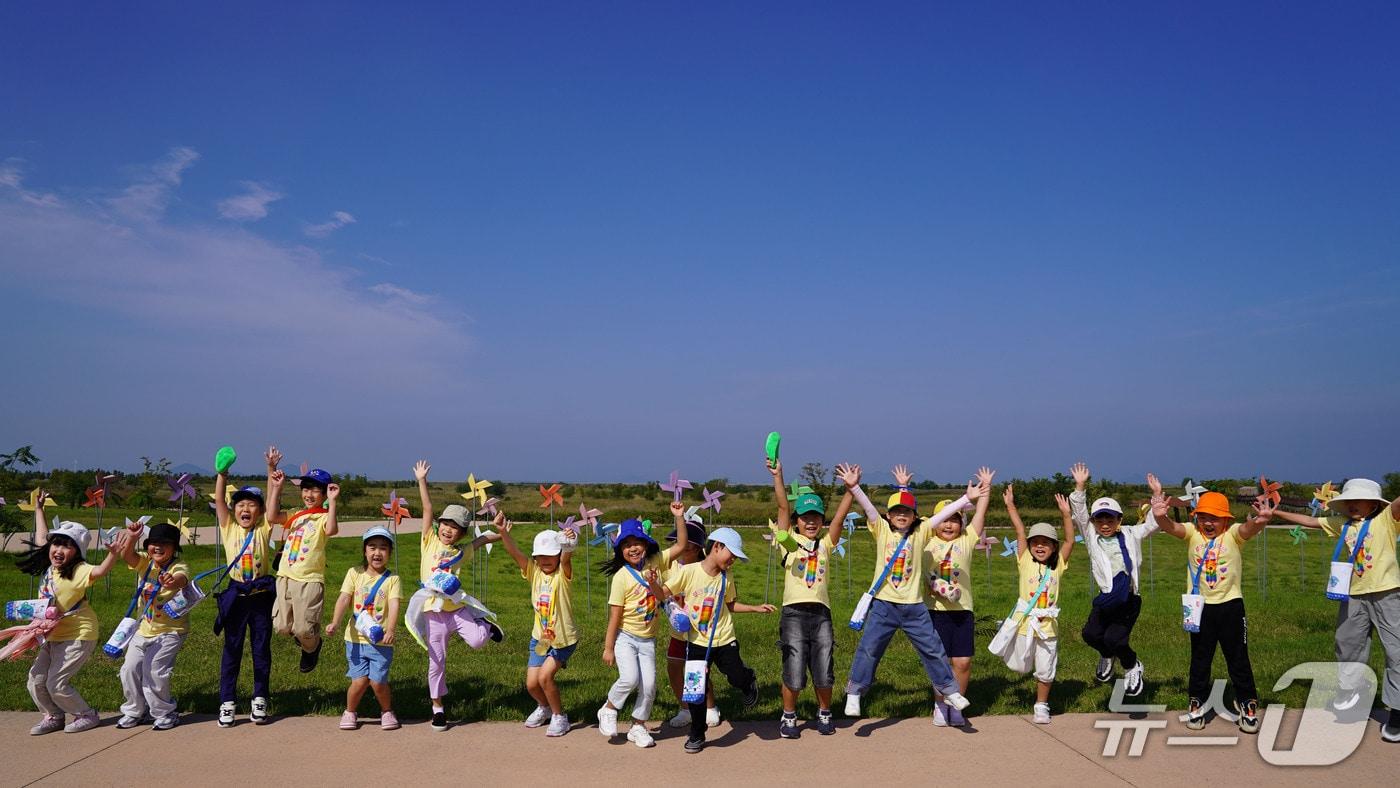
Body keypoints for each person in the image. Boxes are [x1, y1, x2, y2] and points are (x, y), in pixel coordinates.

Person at [1258, 477, 1400, 742]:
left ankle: (1398, 712)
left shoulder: (1386, 520)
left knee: (1397, 651)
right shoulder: (1342, 525)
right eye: (1349, 501)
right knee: (1347, 645)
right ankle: (1353, 697)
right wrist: (1273, 512)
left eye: (1359, 500)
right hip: (1353, 595)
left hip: (1386, 594)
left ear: (1374, 504)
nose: (1353, 504)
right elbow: (1312, 522)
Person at [841, 465, 986, 719]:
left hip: (914, 607)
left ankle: (950, 691)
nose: (901, 515)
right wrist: (854, 487)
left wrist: (966, 499)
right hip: (884, 604)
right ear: (888, 515)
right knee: (869, 648)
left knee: (932, 649)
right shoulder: (882, 529)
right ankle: (855, 693)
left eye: (906, 512)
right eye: (896, 511)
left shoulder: (922, 532)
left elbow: (942, 517)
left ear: (914, 516)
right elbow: (869, 509)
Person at [1149, 474, 1270, 733]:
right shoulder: (1192, 533)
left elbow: (1250, 528)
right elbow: (1170, 527)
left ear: (1225, 519)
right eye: (1203, 517)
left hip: (1230, 606)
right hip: (1200, 608)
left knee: (1237, 658)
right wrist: (1159, 512)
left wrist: (1261, 520)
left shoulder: (1233, 534)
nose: (1208, 522)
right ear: (1196, 518)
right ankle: (1197, 703)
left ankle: (1247, 704)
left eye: (1214, 518)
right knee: (1200, 659)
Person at [659, 527, 776, 753]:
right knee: (695, 692)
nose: (732, 560)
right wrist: (656, 588)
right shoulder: (689, 572)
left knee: (735, 676)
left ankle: (747, 680)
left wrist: (755, 608)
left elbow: (730, 605)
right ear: (717, 547)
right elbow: (663, 592)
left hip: (724, 639)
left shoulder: (726, 577)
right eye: (731, 554)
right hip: (696, 643)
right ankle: (697, 734)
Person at [15, 493, 120, 734]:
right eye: (56, 544)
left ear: (77, 551)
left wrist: (113, 553)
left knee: (56, 683)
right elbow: (42, 538)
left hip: (78, 634)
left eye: (66, 545)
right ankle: (53, 716)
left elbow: (101, 571)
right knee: (35, 680)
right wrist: (39, 510)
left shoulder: (80, 570)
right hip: (52, 634)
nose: (58, 550)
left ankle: (87, 714)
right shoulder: (51, 567)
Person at [412, 460, 503, 732]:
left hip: (457, 609)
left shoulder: (461, 552)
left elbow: (486, 539)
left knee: (476, 642)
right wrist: (421, 481)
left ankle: (486, 625)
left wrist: (500, 526)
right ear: (439, 525)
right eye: (446, 524)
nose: (449, 530)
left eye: (456, 527)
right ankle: (437, 708)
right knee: (436, 661)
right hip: (433, 612)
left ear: (462, 532)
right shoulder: (428, 540)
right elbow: (427, 508)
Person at [768, 458, 853, 738]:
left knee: (824, 665)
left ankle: (825, 712)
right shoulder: (787, 542)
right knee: (793, 666)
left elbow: (839, 520)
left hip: (821, 614)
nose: (811, 521)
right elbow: (782, 506)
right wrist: (778, 475)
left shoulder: (826, 544)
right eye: (805, 517)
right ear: (796, 522)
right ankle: (789, 716)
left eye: (816, 516)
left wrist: (851, 490)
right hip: (792, 612)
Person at [597, 503, 690, 748]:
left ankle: (638, 726)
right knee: (629, 679)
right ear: (620, 550)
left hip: (648, 640)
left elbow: (681, 545)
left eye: (636, 542)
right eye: (626, 545)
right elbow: (614, 615)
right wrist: (608, 648)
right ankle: (608, 708)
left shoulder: (656, 562)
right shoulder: (621, 577)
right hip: (625, 637)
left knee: (649, 685)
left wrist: (679, 517)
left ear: (646, 544)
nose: (633, 548)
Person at [1068, 462, 1154, 696]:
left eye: (1110, 519)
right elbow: (1079, 513)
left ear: (1119, 519)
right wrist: (1080, 486)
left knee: (1115, 638)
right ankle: (1107, 655)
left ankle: (1131, 665)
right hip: (1107, 596)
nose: (1105, 524)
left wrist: (1157, 497)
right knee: (1090, 635)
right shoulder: (1091, 537)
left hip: (1128, 598)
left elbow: (1153, 523)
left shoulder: (1130, 533)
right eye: (1100, 520)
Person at [923, 466, 995, 726]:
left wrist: (984, 489)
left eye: (955, 519)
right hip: (935, 612)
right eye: (945, 519)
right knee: (939, 662)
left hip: (963, 611)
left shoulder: (966, 540)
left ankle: (957, 705)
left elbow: (981, 513)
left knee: (962, 662)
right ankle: (940, 705)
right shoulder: (926, 543)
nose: (950, 524)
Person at [213, 466, 282, 727]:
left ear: (260, 512)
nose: (246, 509)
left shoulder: (264, 528)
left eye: (252, 505)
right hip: (235, 596)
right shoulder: (228, 527)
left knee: (261, 649)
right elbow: (219, 500)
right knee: (232, 649)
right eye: (240, 504)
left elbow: (273, 499)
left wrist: (272, 473)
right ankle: (227, 702)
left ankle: (260, 698)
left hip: (262, 597)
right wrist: (222, 473)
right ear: (234, 510)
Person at [499, 519, 580, 737]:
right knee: (532, 684)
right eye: (540, 556)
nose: (545, 560)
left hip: (563, 639)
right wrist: (502, 532)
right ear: (535, 558)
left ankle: (559, 716)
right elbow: (514, 552)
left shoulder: (562, 576)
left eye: (550, 555)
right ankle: (544, 708)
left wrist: (568, 543)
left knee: (545, 678)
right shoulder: (533, 573)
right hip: (541, 639)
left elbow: (567, 558)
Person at [1002, 485, 1076, 724]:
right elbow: (1020, 531)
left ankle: (1041, 705)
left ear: (1053, 547)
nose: (1040, 546)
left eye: (1046, 542)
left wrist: (1066, 514)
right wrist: (1010, 505)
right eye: (1036, 543)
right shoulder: (1024, 560)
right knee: (1021, 667)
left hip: (1048, 627)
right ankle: (1032, 686)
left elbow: (1070, 540)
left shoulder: (1059, 564)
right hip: (1025, 624)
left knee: (1045, 668)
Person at [265, 447, 339, 673]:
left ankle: (311, 648)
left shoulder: (324, 517)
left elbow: (332, 529)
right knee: (280, 626)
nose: (309, 494)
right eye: (306, 489)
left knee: (304, 630)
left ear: (325, 494)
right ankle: (306, 639)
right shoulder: (295, 514)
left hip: (309, 580)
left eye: (316, 490)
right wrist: (275, 482)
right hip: (285, 577)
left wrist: (333, 503)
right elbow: (271, 516)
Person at [114, 522, 190, 730]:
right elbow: (127, 556)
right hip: (143, 629)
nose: (157, 547)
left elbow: (181, 580)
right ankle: (135, 710)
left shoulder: (178, 566)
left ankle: (165, 712)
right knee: (128, 669)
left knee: (155, 670)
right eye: (153, 543)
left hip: (170, 632)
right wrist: (131, 537)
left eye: (164, 544)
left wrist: (171, 581)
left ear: (174, 548)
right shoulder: (146, 563)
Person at [326, 526, 402, 731]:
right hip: (355, 640)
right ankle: (350, 711)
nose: (377, 552)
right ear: (364, 551)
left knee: (378, 683)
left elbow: (394, 604)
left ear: (390, 553)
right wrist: (335, 622)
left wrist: (391, 630)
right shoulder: (354, 573)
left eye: (383, 548)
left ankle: (387, 711)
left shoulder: (392, 579)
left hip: (380, 642)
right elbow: (344, 598)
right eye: (372, 547)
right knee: (359, 681)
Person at [662, 516, 716, 729]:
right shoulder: (670, 567)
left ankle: (710, 707)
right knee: (674, 668)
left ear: (698, 548)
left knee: (700, 670)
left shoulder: (706, 568)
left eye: (686, 547)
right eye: (677, 545)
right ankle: (684, 708)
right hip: (678, 632)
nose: (680, 551)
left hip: (700, 632)